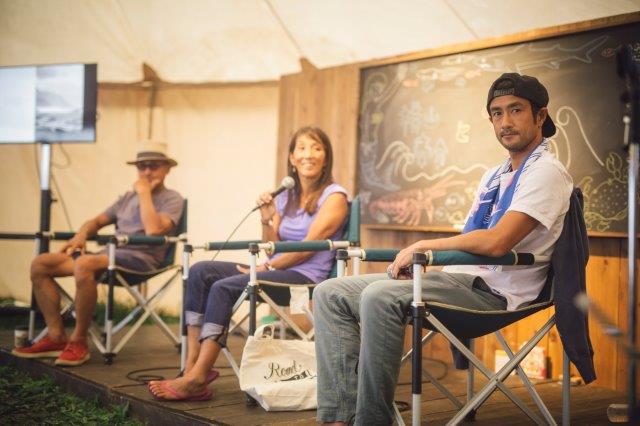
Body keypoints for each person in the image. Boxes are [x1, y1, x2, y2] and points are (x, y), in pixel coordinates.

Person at [314, 73, 573, 424]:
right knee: (329, 293)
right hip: (460, 279)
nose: (505, 122)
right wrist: (433, 263)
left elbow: (497, 241)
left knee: (379, 296)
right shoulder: (494, 176)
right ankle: (339, 418)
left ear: (540, 116)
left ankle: (372, 420)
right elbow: (475, 238)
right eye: (497, 113)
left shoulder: (546, 172)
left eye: (516, 110)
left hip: (495, 294)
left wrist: (425, 246)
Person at [148, 126, 349, 401]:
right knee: (200, 271)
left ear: (326, 158)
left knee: (224, 287)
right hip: (278, 268)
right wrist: (267, 219)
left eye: (316, 148)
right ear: (292, 158)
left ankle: (197, 378)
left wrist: (268, 267)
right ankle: (192, 365)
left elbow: (306, 248)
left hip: (306, 278)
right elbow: (271, 246)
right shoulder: (286, 197)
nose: (308, 155)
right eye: (301, 148)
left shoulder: (335, 196)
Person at [13, 141, 184, 367]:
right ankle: (56, 337)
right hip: (108, 255)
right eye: (141, 166)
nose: (147, 171)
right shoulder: (126, 198)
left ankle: (79, 341)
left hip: (143, 260)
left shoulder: (173, 198)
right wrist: (81, 235)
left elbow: (153, 229)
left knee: (84, 264)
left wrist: (144, 193)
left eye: (153, 165)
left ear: (167, 168)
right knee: (41, 264)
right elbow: (95, 222)